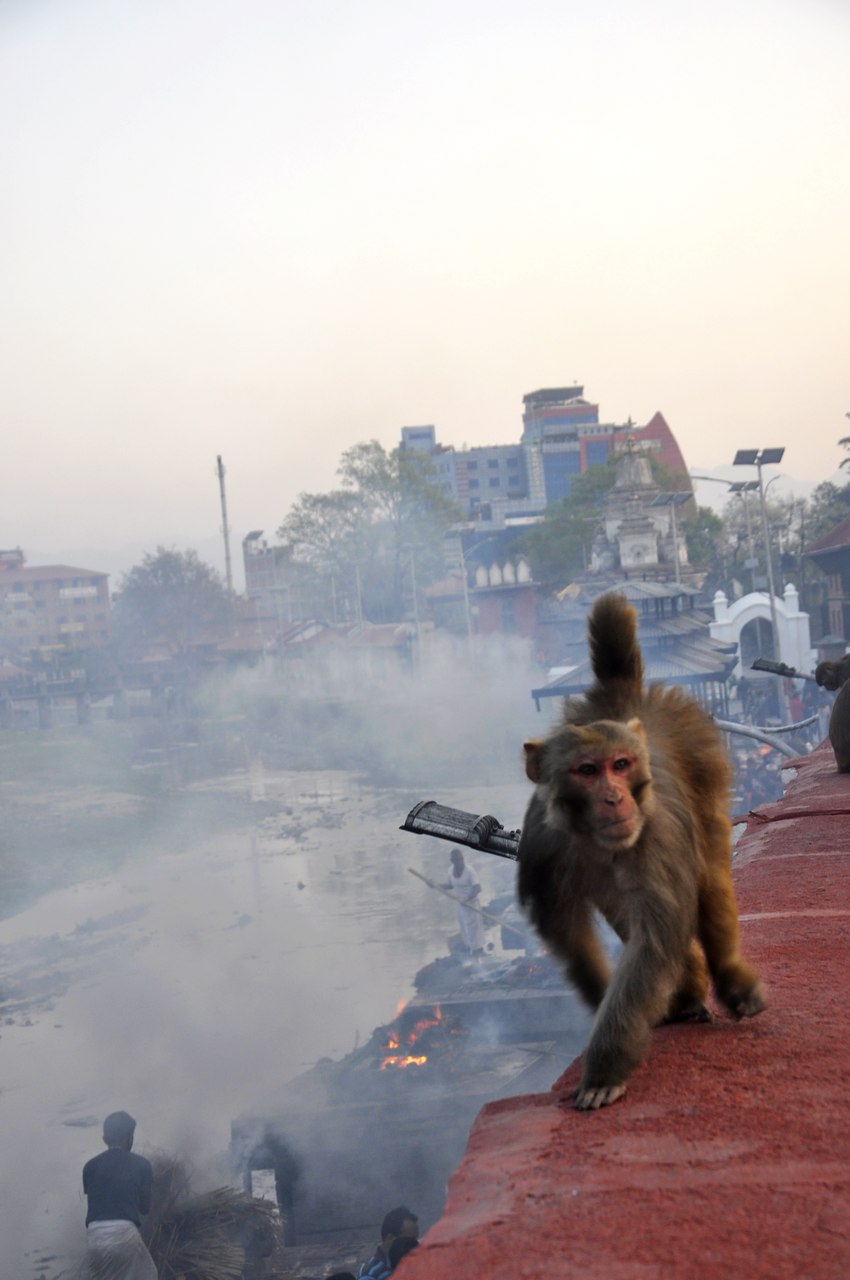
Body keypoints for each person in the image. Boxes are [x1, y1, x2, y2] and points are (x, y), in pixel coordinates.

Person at [82, 1110, 156, 1280]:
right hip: (124, 1235)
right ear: (130, 1138)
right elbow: (145, 1209)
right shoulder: (142, 1164)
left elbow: (98, 1202)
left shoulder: (89, 1167)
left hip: (94, 1237)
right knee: (149, 1274)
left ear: (104, 1140)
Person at [360, 1206, 419, 1280]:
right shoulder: (371, 1273)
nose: (415, 1245)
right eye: (409, 1241)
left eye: (415, 1239)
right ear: (390, 1238)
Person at [445, 847, 485, 956]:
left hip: (472, 906)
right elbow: (450, 885)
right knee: (465, 932)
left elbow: (478, 888)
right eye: (456, 860)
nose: (459, 862)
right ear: (452, 861)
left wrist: (467, 898)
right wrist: (435, 885)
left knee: (474, 934)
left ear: (462, 859)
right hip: (461, 907)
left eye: (460, 859)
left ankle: (477, 957)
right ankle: (472, 954)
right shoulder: (450, 870)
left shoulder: (470, 871)